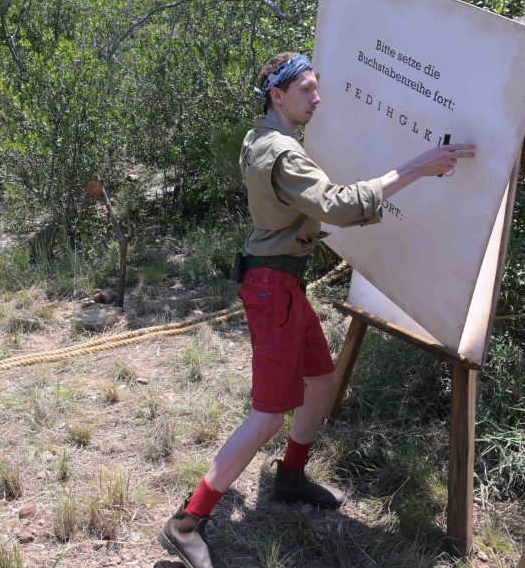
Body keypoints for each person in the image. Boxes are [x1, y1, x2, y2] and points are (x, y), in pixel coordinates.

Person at [157, 52, 476, 568]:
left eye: (316, 87)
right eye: (306, 89)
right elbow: (341, 206)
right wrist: (418, 166)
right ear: (277, 96)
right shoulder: (282, 153)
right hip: (273, 288)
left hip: (281, 283)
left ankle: (289, 478)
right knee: (266, 416)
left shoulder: (259, 136)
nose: (317, 98)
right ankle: (187, 521)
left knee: (322, 381)